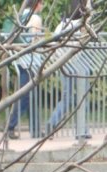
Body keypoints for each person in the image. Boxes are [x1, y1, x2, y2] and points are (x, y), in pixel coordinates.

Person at [46, 0, 92, 139]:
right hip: (75, 64)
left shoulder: (63, 24)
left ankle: (55, 124)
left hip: (64, 63)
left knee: (68, 97)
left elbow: (54, 44)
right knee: (81, 97)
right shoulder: (81, 26)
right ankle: (81, 129)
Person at [7, 0, 44, 139]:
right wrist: (50, 36)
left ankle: (34, 129)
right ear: (37, 4)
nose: (43, 6)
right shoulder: (35, 18)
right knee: (26, 97)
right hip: (32, 61)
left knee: (29, 96)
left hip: (22, 60)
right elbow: (36, 39)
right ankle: (11, 126)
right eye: (42, 3)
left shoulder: (22, 16)